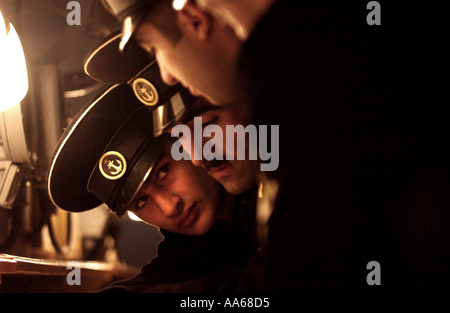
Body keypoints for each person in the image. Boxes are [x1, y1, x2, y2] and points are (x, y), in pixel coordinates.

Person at [102, 0, 450, 292]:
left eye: (154, 49)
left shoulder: (304, 78)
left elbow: (296, 282)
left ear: (195, 18)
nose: (167, 74)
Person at [47, 67, 256, 292]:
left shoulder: (269, 184)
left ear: (185, 140)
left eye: (163, 171)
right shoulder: (184, 254)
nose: (168, 207)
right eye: (141, 202)